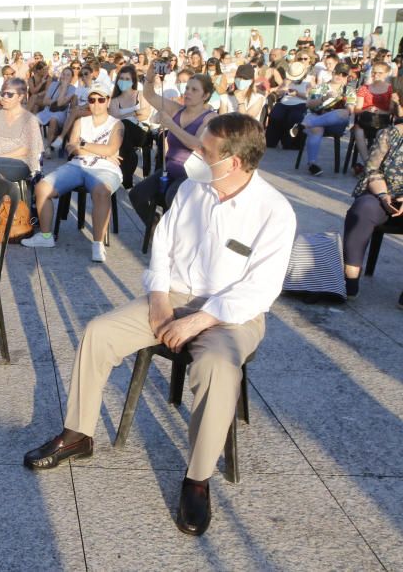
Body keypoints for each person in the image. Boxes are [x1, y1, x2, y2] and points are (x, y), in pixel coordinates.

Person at [24, 113, 296, 538]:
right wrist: (157, 300)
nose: (195, 157)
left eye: (205, 152)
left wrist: (200, 322)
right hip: (175, 296)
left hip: (231, 313)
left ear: (235, 163)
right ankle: (78, 433)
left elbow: (261, 288)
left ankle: (197, 478)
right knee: (99, 331)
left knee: (218, 369)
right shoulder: (192, 188)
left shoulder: (274, 211)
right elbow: (163, 247)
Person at [22, 85, 123, 262]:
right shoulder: (80, 122)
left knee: (102, 192)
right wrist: (97, 150)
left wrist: (83, 145)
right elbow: (71, 148)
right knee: (42, 188)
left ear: (108, 101)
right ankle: (46, 237)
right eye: (92, 100)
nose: (96, 104)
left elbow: (111, 148)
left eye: (101, 99)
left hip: (105, 168)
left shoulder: (116, 124)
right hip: (77, 165)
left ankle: (97, 243)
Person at [130, 66, 217, 227]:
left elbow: (196, 144)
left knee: (172, 197)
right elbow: (149, 95)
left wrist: (171, 125)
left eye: (194, 90)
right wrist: (151, 72)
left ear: (205, 96)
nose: (187, 92)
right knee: (137, 195)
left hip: (193, 175)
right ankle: (155, 225)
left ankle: (176, 238)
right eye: (187, 88)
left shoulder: (209, 118)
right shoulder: (177, 109)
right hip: (169, 170)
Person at [342, 118, 403, 297]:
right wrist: (384, 196)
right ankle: (350, 279)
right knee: (363, 208)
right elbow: (372, 170)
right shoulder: (390, 134)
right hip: (384, 192)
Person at [0, 77, 44, 184]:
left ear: (20, 97)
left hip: (21, 163)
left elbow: (27, 150)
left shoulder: (29, 119)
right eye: (3, 93)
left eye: (10, 94)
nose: (5, 97)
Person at [298, 63, 355, 176]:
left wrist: (343, 103)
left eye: (343, 75)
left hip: (337, 121)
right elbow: (309, 105)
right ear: (332, 73)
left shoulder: (349, 90)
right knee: (317, 128)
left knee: (344, 112)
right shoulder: (320, 87)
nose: (339, 76)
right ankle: (312, 164)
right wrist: (325, 98)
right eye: (337, 73)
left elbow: (350, 110)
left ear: (347, 77)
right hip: (318, 116)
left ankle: (305, 124)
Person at [109, 65, 151, 188]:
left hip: (141, 131)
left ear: (133, 81)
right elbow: (114, 117)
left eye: (127, 79)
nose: (124, 81)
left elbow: (145, 114)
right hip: (123, 133)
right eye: (121, 78)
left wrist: (125, 115)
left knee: (125, 124)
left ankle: (125, 178)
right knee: (124, 129)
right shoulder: (115, 100)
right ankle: (127, 180)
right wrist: (134, 113)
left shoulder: (140, 94)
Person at [353, 62, 396, 170]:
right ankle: (368, 164)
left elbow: (391, 111)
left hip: (383, 122)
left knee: (382, 133)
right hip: (365, 121)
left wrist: (378, 111)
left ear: (386, 74)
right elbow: (357, 110)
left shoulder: (391, 89)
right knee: (358, 131)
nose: (376, 75)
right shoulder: (364, 88)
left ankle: (372, 166)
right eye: (374, 73)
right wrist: (366, 109)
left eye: (379, 73)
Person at [266, 61, 311, 149]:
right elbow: (279, 92)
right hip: (284, 102)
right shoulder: (287, 80)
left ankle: (290, 143)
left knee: (294, 117)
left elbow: (310, 97)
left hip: (300, 103)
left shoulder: (309, 81)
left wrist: (297, 94)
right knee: (275, 116)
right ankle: (271, 141)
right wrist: (282, 90)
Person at [36, 66, 78, 149]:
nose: (65, 77)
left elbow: (59, 104)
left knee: (53, 119)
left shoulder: (73, 89)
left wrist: (64, 88)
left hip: (61, 113)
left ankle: (47, 147)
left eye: (68, 75)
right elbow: (45, 101)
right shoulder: (54, 84)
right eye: (63, 74)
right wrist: (53, 101)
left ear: (72, 78)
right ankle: (37, 144)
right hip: (48, 110)